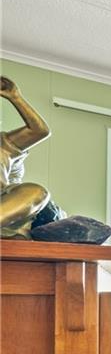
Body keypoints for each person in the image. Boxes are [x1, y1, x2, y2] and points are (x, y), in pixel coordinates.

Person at [1, 76, 56, 238]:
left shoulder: (4, 143)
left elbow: (39, 131)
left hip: (5, 213)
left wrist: (15, 98)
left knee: (35, 191)